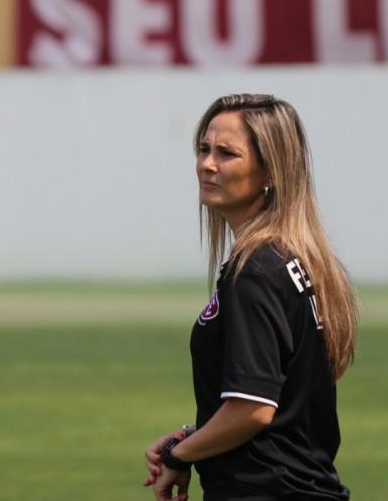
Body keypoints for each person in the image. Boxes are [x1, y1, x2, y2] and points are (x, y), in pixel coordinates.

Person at [143, 93, 358, 501]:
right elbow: (281, 404)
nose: (207, 164)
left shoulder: (256, 271)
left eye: (227, 154)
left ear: (270, 172)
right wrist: (197, 436)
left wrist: (179, 454)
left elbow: (253, 409)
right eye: (204, 149)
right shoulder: (291, 260)